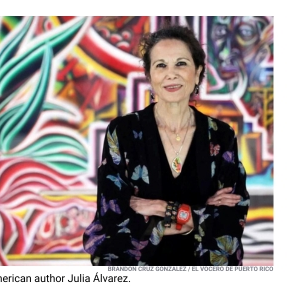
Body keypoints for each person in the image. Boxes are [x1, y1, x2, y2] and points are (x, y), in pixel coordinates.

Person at [82, 24, 250, 266]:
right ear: (150, 76)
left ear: (198, 71)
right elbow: (113, 220)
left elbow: (230, 221)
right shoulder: (124, 132)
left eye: (181, 63)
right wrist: (195, 216)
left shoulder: (221, 136)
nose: (171, 74)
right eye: (161, 65)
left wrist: (159, 207)